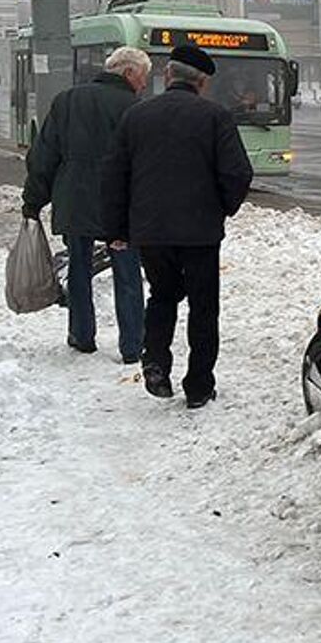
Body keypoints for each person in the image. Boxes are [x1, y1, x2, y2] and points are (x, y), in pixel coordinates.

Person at [103, 42, 254, 408]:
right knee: (204, 307)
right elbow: (238, 174)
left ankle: (155, 361)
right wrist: (220, 208)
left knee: (162, 294)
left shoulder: (136, 117)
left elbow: (114, 177)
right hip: (200, 233)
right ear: (202, 82)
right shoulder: (215, 117)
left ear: (168, 75)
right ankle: (199, 385)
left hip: (151, 231)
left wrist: (118, 230)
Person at [22, 46, 151, 362]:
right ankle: (133, 345)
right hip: (119, 207)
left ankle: (82, 336)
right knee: (128, 274)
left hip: (75, 200)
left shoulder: (67, 101)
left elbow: (44, 156)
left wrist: (33, 200)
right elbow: (145, 164)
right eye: (143, 77)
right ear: (128, 72)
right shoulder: (134, 108)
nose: (144, 84)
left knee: (79, 270)